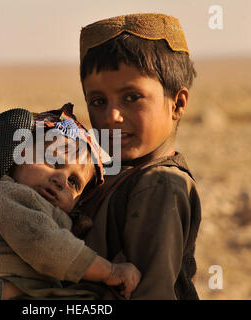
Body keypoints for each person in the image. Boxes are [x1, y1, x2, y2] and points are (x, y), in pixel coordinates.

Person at [0, 105, 141, 300]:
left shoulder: (38, 203)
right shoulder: (8, 193)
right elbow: (44, 244)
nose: (60, 180)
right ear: (18, 157)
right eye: (53, 162)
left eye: (73, 182)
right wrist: (109, 271)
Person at [71, 13, 202, 299]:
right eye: (98, 101)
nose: (112, 116)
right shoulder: (108, 172)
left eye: (132, 97)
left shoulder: (160, 184)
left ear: (177, 103)